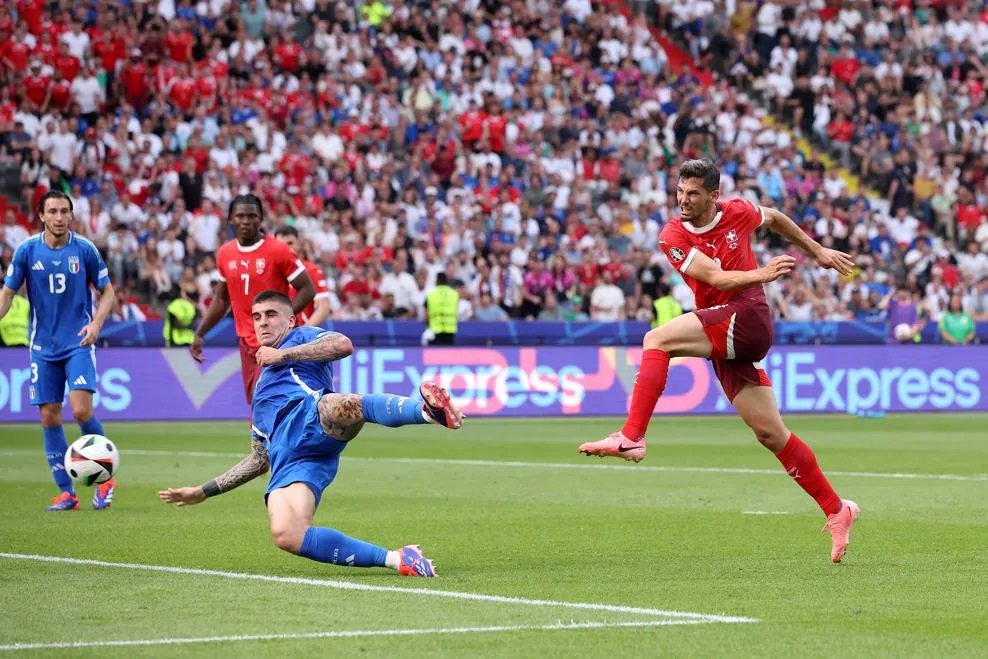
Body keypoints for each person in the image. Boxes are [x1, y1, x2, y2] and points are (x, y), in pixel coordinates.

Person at [577, 159, 861, 564]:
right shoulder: (672, 235)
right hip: (726, 324)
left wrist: (817, 251)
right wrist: (762, 273)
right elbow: (716, 278)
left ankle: (632, 436)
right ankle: (838, 510)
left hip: (747, 317)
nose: (683, 200)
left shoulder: (739, 212)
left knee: (657, 338)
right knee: (770, 433)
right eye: (679, 191)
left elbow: (776, 217)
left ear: (714, 195)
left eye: (693, 193)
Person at [159, 290, 465, 576]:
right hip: (289, 460)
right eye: (256, 317)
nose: (262, 322)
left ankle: (427, 413)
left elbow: (343, 345)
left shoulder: (300, 337)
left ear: (290, 319)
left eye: (270, 314)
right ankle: (399, 559)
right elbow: (258, 458)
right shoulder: (261, 386)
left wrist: (283, 355)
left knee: (340, 405)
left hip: (311, 417)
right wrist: (203, 491)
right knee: (287, 535)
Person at [0, 191, 117, 511]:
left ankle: (106, 478)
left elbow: (108, 292)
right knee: (49, 416)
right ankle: (67, 493)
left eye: (65, 211)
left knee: (80, 410)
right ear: (41, 215)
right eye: (52, 211)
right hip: (42, 347)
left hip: (77, 342)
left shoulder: (84, 249)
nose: (59, 217)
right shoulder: (26, 250)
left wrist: (96, 325)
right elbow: (7, 294)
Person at [192, 195, 316, 404]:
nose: (246, 221)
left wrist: (282, 322)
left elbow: (307, 289)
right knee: (257, 404)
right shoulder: (225, 253)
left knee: (272, 402)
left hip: (276, 342)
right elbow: (222, 300)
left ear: (261, 219)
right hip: (247, 344)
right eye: (240, 216)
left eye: (252, 216)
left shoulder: (278, 250)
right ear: (230, 219)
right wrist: (201, 332)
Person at [273, 225, 331, 327]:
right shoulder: (270, 271)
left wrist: (304, 332)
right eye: (281, 245)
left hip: (299, 331)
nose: (286, 248)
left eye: (290, 243)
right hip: (274, 333)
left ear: (299, 244)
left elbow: (324, 307)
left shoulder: (312, 270)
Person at [424, 271, 458, 345]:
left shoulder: (431, 295)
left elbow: (426, 314)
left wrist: (427, 327)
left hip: (435, 330)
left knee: (436, 355)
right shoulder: (454, 294)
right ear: (446, 281)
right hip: (450, 330)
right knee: (448, 354)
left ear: (437, 281)